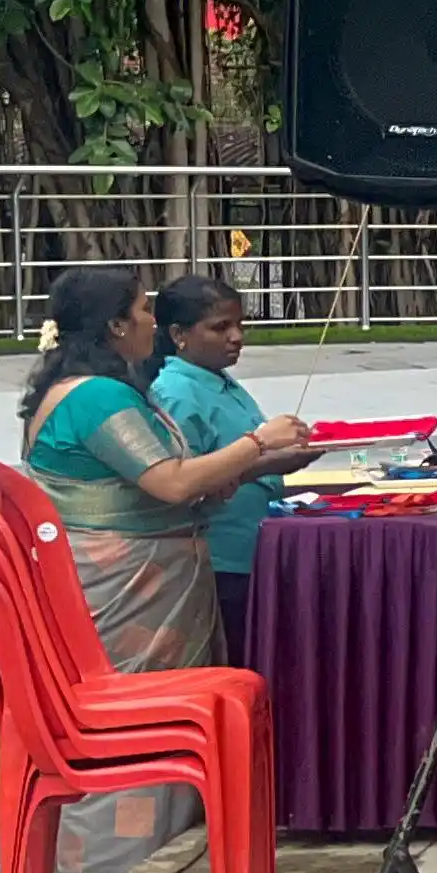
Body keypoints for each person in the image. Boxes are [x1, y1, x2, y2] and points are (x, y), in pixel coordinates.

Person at [20, 267, 310, 873]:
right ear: (117, 325)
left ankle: (149, 867)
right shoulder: (96, 396)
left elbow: (177, 484)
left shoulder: (106, 389)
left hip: (143, 589)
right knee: (135, 735)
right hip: (121, 595)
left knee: (158, 735)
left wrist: (255, 461)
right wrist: (256, 444)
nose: (154, 321)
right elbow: (172, 482)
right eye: (145, 311)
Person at [148, 273, 323, 662]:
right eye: (220, 327)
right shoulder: (175, 392)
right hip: (219, 561)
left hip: (252, 550)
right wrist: (263, 459)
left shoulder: (220, 382)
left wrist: (283, 459)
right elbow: (186, 484)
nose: (237, 337)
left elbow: (239, 456)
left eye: (240, 325)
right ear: (179, 333)